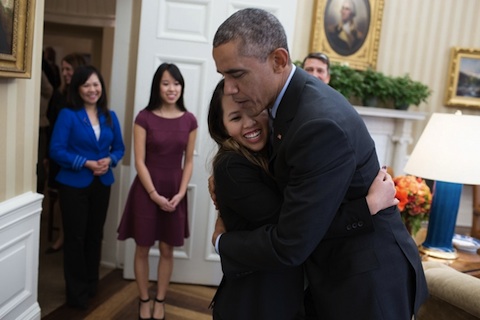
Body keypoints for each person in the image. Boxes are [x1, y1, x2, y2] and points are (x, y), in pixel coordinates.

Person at [211, 8, 428, 319]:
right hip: (335, 273)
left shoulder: (318, 123)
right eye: (223, 76)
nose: (229, 89)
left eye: (236, 74)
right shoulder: (286, 106)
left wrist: (223, 242)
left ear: (279, 60)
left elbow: (292, 241)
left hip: (365, 283)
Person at [207, 79, 397, 319]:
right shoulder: (232, 166)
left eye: (254, 111)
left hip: (284, 294)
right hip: (257, 300)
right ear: (222, 127)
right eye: (235, 118)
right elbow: (296, 229)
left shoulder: (277, 149)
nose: (249, 123)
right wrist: (368, 206)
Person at [117, 63, 198, 320]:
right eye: (166, 83)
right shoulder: (144, 117)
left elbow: (189, 161)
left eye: (176, 83)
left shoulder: (190, 120)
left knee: (167, 249)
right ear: (157, 86)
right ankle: (143, 298)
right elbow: (139, 160)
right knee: (142, 247)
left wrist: (182, 192)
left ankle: (160, 299)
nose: (171, 88)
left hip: (175, 190)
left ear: (182, 86)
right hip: (146, 190)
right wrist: (153, 194)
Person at [49, 65, 125, 309]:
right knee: (75, 238)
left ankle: (92, 285)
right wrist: (87, 163)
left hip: (102, 184)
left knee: (95, 236)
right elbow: (56, 150)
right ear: (77, 88)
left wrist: (109, 160)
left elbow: (120, 148)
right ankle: (76, 293)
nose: (93, 89)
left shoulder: (110, 116)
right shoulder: (68, 115)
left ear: (101, 87)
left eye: (96, 84)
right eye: (86, 85)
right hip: (74, 185)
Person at [45, 53, 87, 254]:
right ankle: (62, 236)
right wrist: (47, 155)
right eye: (62, 69)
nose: (64, 73)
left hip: (80, 156)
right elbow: (51, 126)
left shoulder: (86, 96)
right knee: (62, 199)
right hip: (59, 155)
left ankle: (75, 239)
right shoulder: (58, 95)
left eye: (68, 69)